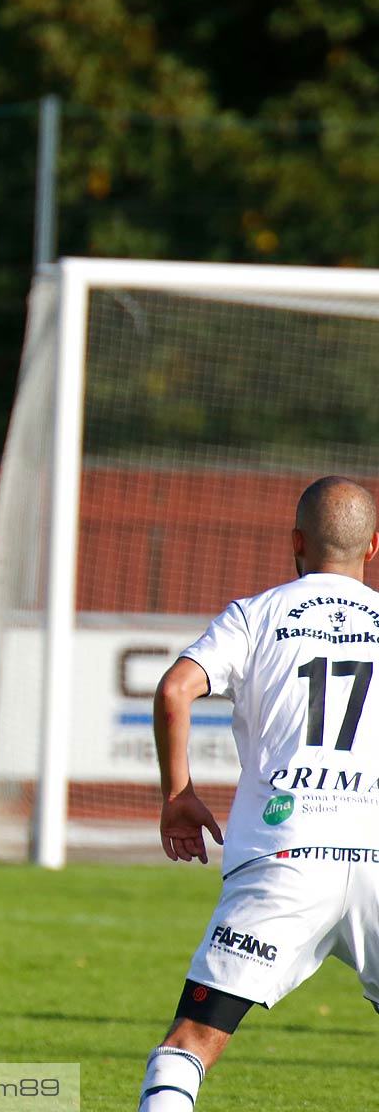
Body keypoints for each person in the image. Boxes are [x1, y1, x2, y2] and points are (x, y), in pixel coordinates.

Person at [137, 476, 379, 1112]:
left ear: (295, 541)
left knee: (187, 1045)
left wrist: (179, 795)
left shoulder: (255, 615)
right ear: (373, 547)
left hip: (284, 857)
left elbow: (172, 692)